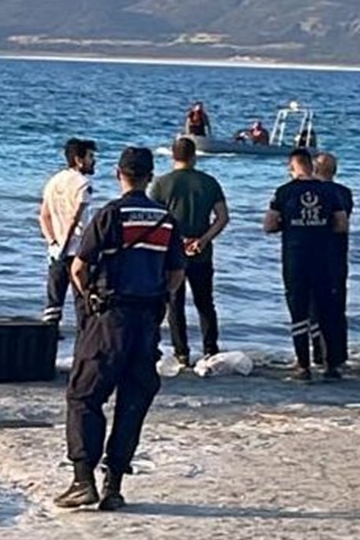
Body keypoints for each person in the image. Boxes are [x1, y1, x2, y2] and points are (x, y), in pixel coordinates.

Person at [55, 147, 184, 511]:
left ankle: (83, 480)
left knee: (84, 396)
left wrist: (91, 302)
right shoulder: (166, 219)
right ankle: (113, 485)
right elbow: (176, 275)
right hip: (146, 321)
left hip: (109, 318)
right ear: (150, 176)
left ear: (118, 174)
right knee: (133, 401)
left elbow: (78, 268)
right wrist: (156, 299)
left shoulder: (110, 214)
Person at [263, 148, 349, 381]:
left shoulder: (283, 192)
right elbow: (341, 224)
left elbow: (269, 225)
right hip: (323, 258)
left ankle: (303, 366)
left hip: (295, 258)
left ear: (292, 167)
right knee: (326, 310)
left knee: (298, 309)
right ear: (311, 166)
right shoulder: (329, 192)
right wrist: (320, 226)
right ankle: (331, 365)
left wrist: (289, 225)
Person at [149, 137, 229, 366]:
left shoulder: (162, 184)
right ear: (194, 156)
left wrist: (176, 240)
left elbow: (157, 220)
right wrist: (203, 240)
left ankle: (181, 353)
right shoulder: (209, 182)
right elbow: (222, 218)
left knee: (175, 303)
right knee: (205, 303)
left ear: (173, 156)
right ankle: (210, 350)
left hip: (172, 253)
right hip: (201, 252)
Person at [39, 138, 97, 326]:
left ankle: (47, 348)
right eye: (90, 156)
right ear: (79, 160)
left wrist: (52, 242)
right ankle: (84, 347)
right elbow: (75, 217)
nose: (93, 161)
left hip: (55, 251)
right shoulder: (83, 183)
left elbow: (43, 216)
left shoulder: (53, 181)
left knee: (53, 305)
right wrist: (65, 244)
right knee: (83, 302)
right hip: (77, 250)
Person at [311, 153, 353, 366]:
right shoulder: (345, 193)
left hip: (317, 254)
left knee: (315, 308)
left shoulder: (313, 193)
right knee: (337, 307)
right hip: (338, 257)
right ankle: (339, 353)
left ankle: (319, 352)